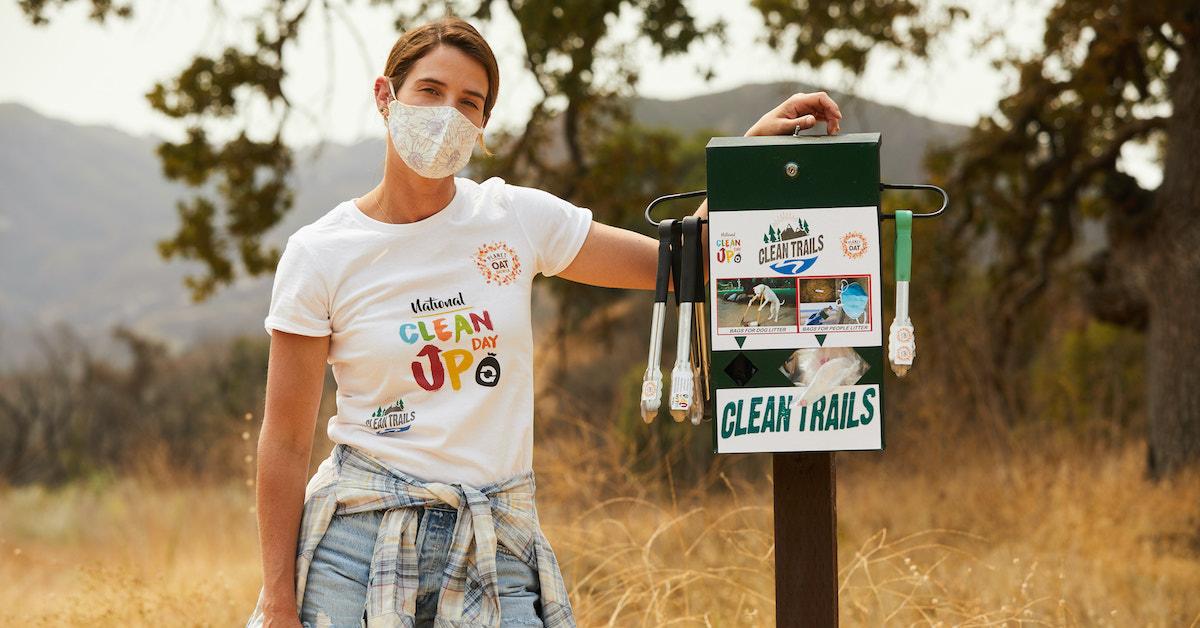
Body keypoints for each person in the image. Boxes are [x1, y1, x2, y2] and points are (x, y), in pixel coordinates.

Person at [246, 15, 842, 628]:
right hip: (356, 544)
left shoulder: (515, 218)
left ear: (481, 126)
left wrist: (745, 158)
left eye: (469, 103)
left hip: (493, 543)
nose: (447, 114)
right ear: (385, 96)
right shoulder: (320, 252)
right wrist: (278, 602)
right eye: (430, 91)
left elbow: (679, 263)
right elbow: (287, 442)